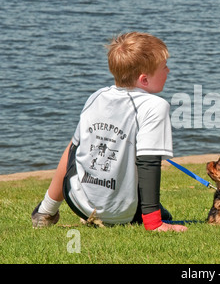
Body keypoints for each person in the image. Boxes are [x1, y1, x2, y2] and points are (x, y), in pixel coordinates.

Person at [31, 32, 187, 233]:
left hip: (78, 202)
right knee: (165, 216)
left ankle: (44, 212)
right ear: (144, 79)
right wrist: (154, 223)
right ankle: (148, 218)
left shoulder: (96, 96)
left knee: (74, 146)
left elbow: (72, 152)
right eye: (164, 66)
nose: (169, 70)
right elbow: (149, 163)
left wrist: (48, 208)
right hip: (119, 212)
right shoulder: (155, 105)